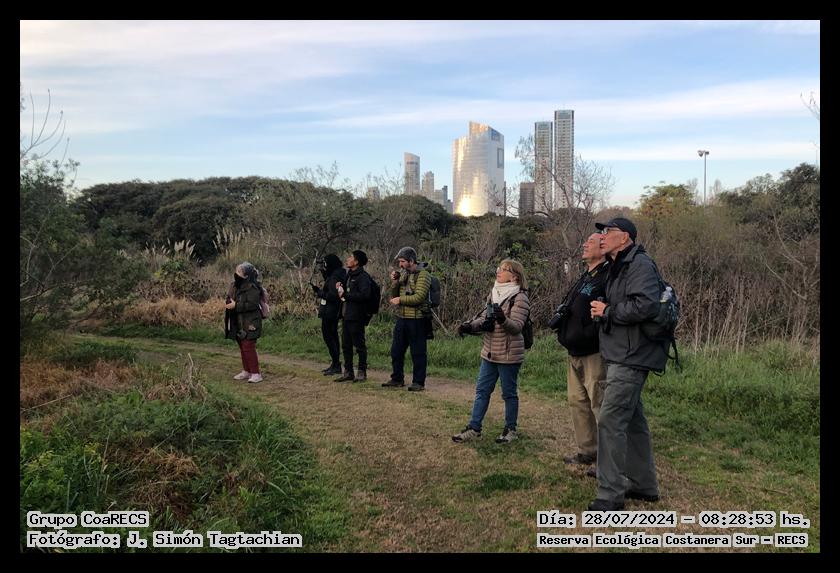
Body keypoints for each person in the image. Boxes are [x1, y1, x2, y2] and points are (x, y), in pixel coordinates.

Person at [588, 217, 664, 511]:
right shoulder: (618, 266)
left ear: (625, 238)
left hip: (632, 355)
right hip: (621, 352)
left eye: (609, 232)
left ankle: (610, 494)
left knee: (610, 420)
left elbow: (646, 305)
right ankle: (644, 485)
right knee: (633, 422)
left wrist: (608, 311)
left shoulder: (640, 265)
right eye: (602, 232)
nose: (602, 236)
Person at [452, 259, 531, 444]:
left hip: (509, 354)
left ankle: (511, 430)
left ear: (514, 276)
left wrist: (502, 319)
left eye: (503, 269)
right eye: (499, 268)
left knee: (509, 393)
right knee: (482, 390)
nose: (498, 272)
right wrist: (469, 326)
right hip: (489, 351)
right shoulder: (494, 292)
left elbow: (517, 327)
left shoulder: (520, 297)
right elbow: (484, 319)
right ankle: (474, 428)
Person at [555, 233, 609, 468]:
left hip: (594, 352)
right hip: (574, 350)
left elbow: (605, 312)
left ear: (603, 249)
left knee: (600, 405)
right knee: (577, 402)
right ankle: (587, 451)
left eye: (591, 242)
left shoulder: (608, 276)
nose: (584, 244)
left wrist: (589, 333)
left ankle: (609, 460)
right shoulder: (586, 275)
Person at [382, 247, 431, 391]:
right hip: (402, 317)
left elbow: (419, 297)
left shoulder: (423, 275)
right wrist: (395, 282)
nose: (400, 264)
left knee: (418, 352)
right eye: (400, 261)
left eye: (403, 261)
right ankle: (397, 378)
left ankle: (418, 382)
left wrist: (401, 300)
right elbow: (394, 295)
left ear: (411, 260)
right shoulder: (404, 274)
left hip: (418, 319)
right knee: (396, 350)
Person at [335, 250, 372, 383]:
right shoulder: (349, 275)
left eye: (350, 257)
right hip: (346, 315)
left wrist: (346, 295)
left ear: (356, 261)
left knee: (359, 345)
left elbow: (365, 295)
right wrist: (340, 286)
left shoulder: (363, 277)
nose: (348, 259)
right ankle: (348, 372)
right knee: (346, 345)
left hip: (357, 316)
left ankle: (362, 372)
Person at [225, 262, 265, 383]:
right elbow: (230, 297)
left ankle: (256, 373)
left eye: (239, 272)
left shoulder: (253, 287)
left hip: (251, 322)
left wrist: (236, 305)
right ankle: (246, 371)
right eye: (236, 271)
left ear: (246, 275)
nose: (236, 274)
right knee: (242, 346)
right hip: (238, 321)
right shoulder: (234, 285)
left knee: (248, 347)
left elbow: (253, 304)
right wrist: (228, 302)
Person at [311, 254, 346, 376]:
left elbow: (333, 296)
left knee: (329, 337)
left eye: (325, 264)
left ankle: (336, 364)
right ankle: (335, 364)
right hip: (333, 311)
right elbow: (330, 281)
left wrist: (319, 293)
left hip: (330, 312)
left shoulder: (335, 277)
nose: (324, 266)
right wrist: (323, 271)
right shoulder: (338, 274)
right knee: (333, 336)